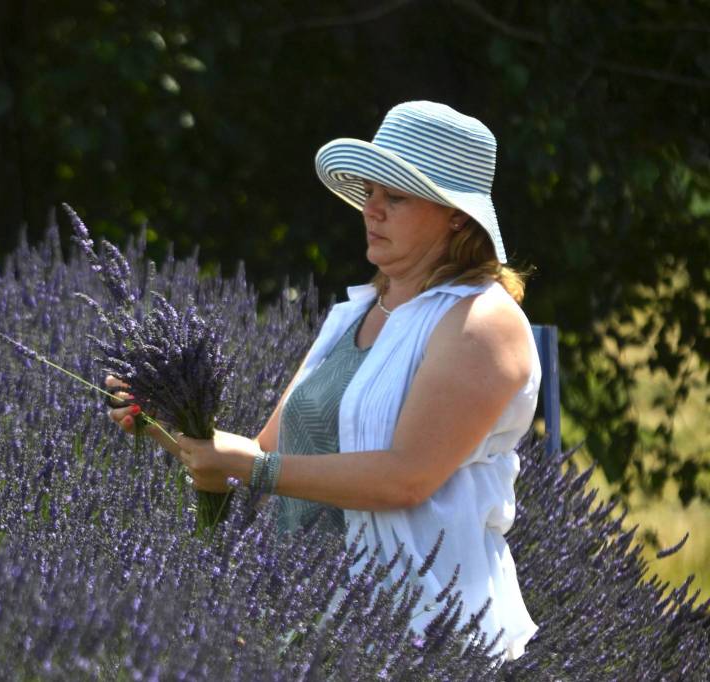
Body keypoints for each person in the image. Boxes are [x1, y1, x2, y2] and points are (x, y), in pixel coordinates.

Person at [106, 101, 539, 661]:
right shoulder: (354, 313)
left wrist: (250, 469)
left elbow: (407, 479)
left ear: (456, 215)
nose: (371, 209)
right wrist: (163, 423)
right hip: (310, 624)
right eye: (371, 191)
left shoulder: (482, 321)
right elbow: (268, 454)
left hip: (424, 635)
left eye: (396, 197)